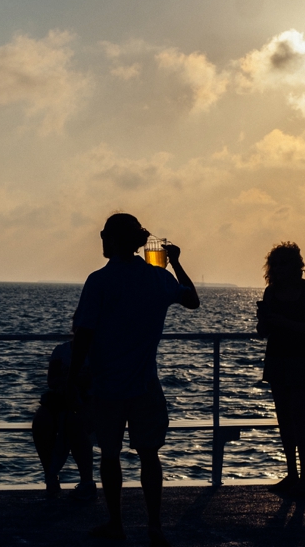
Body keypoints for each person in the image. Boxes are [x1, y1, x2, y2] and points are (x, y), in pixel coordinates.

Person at [70, 213, 200, 547]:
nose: (100, 239)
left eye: (103, 235)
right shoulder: (159, 279)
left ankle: (116, 522)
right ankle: (154, 525)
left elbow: (83, 333)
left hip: (108, 384)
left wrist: (73, 379)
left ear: (114, 240)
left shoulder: (99, 281)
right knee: (149, 455)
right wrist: (175, 263)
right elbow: (192, 300)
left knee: (110, 456)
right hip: (145, 383)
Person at [255, 242, 305, 498]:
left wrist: (283, 322)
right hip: (277, 358)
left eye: (284, 263)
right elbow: (263, 333)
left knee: (299, 415)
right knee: (284, 417)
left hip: (303, 359)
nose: (279, 269)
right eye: (276, 264)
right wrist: (264, 320)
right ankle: (292, 474)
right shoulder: (271, 293)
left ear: (296, 266)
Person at [32, 325, 95, 500]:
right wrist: (74, 381)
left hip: (90, 400)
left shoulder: (99, 352)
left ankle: (86, 481)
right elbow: (51, 381)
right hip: (62, 398)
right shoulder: (61, 351)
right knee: (41, 421)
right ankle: (50, 476)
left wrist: (73, 382)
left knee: (75, 423)